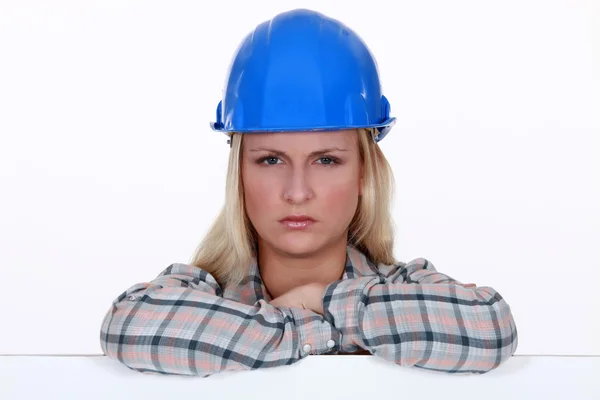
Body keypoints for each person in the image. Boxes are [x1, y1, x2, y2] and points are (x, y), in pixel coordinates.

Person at [99, 8, 518, 377]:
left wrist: (323, 297)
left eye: (326, 161)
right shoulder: (202, 292)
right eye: (271, 160)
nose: (297, 192)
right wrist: (308, 323)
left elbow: (490, 327)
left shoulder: (402, 284)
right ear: (239, 174)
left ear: (363, 175)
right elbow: (128, 325)